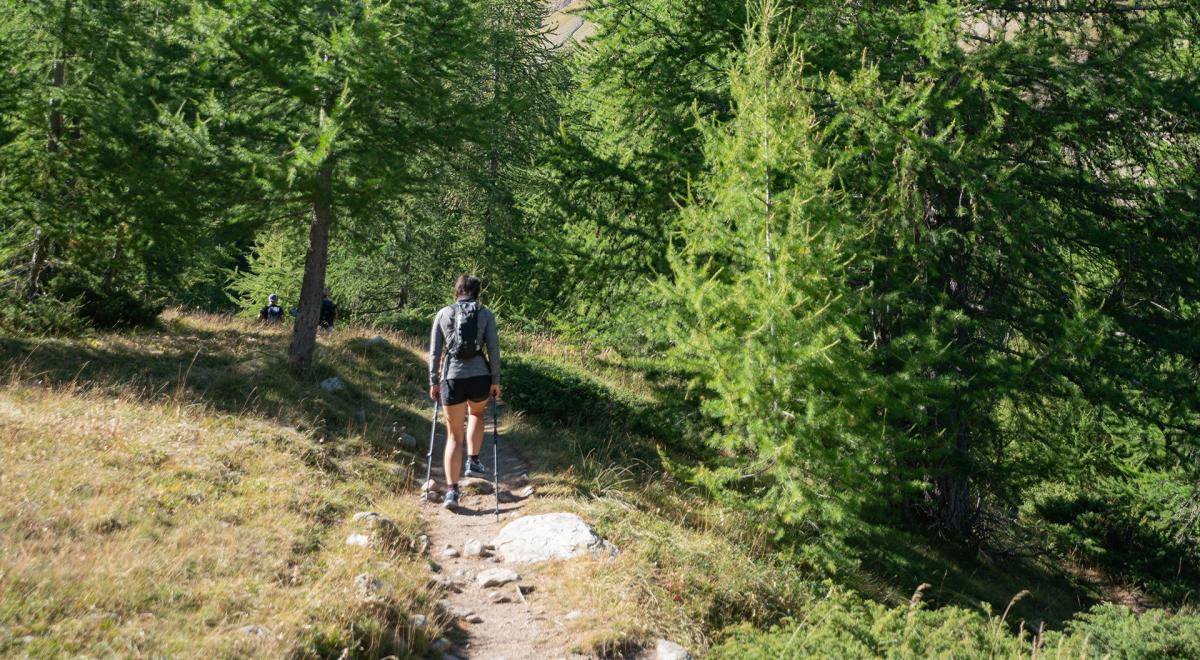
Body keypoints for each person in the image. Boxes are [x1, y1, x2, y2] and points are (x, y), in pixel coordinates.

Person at [428, 274, 501, 510]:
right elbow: (494, 349)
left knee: (453, 435)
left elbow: (434, 352)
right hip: (480, 375)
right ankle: (473, 461)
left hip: (452, 377)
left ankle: (452, 491)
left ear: (457, 291)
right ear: (477, 292)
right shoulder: (486, 314)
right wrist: (495, 380)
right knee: (477, 414)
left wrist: (433, 381)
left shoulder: (443, 313)